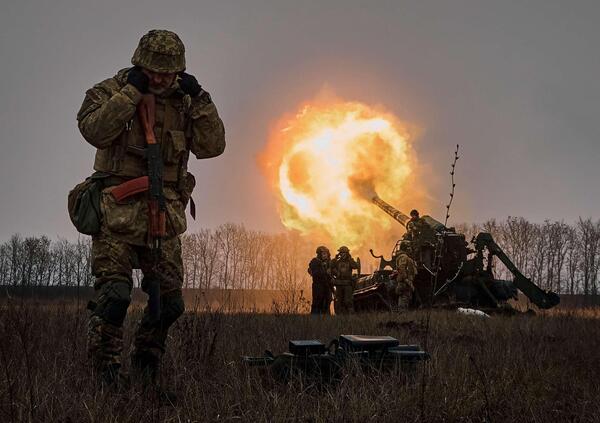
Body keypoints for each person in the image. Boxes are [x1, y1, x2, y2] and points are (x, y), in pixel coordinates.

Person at [77, 29, 225, 388]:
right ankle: (105, 375)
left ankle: (146, 363)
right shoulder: (111, 90)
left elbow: (212, 146)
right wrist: (130, 93)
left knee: (170, 304)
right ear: (139, 65)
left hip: (165, 215)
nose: (161, 79)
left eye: (169, 72)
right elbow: (93, 130)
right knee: (114, 298)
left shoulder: (187, 102)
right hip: (118, 215)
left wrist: (201, 99)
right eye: (154, 71)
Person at [330, 246, 359, 314]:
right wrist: (335, 259)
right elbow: (330, 267)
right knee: (339, 301)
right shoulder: (337, 262)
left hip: (347, 284)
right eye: (341, 253)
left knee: (348, 301)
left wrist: (350, 259)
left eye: (344, 253)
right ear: (339, 253)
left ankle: (350, 316)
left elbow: (356, 266)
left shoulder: (350, 261)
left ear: (347, 253)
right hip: (339, 284)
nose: (342, 254)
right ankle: (340, 316)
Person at [308, 246, 333, 314]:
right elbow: (315, 273)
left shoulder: (329, 262)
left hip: (327, 285)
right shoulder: (315, 262)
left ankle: (326, 321)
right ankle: (315, 320)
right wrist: (325, 272)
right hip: (318, 285)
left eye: (326, 253)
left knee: (327, 302)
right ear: (319, 254)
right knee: (317, 303)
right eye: (323, 253)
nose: (325, 255)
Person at [394, 242, 418, 310]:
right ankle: (401, 315)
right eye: (409, 247)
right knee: (404, 299)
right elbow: (402, 268)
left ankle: (403, 315)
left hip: (406, 282)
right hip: (404, 282)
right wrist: (407, 280)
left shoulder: (405, 257)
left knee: (406, 298)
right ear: (406, 248)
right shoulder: (403, 257)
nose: (410, 249)